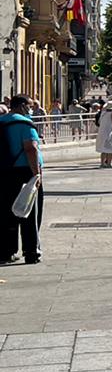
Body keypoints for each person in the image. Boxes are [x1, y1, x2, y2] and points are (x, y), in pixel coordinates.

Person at [1, 93, 43, 265]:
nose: (31, 109)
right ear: (23, 105)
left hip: (4, 172)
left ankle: (6, 251)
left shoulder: (2, 121)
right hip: (25, 172)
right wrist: (36, 174)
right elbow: (31, 149)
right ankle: (31, 251)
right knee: (29, 213)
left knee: (6, 213)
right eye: (30, 106)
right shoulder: (24, 123)